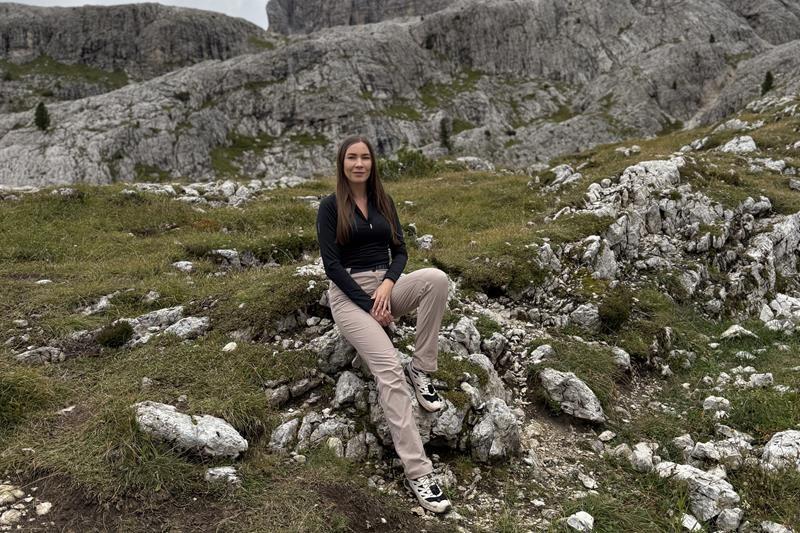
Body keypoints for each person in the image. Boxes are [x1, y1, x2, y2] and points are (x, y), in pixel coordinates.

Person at [316, 135, 452, 514]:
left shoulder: (384, 201)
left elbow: (401, 251)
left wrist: (389, 284)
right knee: (389, 368)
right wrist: (370, 307)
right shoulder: (330, 206)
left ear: (373, 162)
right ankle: (419, 473)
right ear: (342, 163)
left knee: (436, 279)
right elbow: (332, 267)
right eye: (352, 158)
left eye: (365, 157)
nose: (359, 164)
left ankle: (421, 368)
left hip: (384, 286)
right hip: (349, 296)